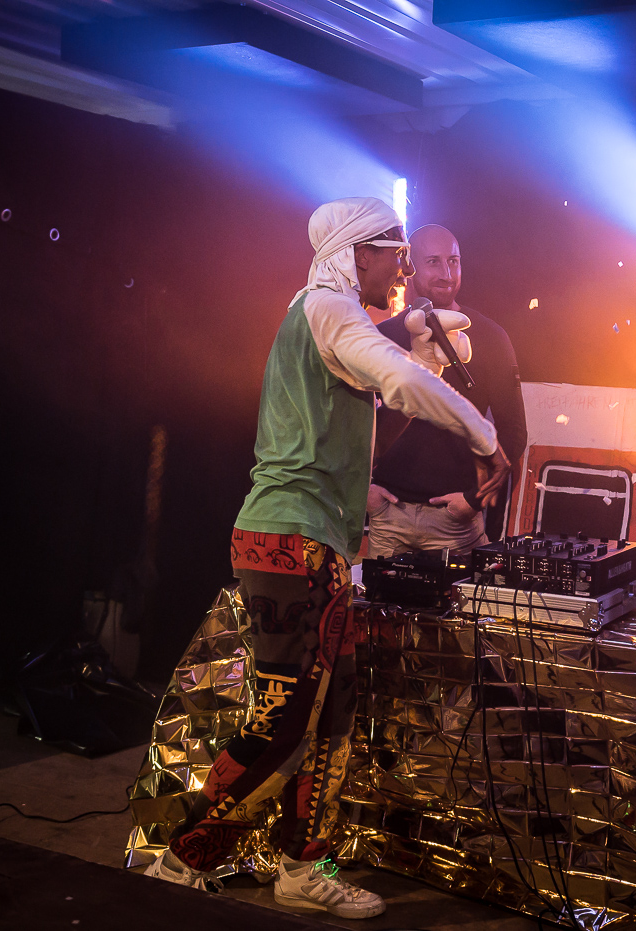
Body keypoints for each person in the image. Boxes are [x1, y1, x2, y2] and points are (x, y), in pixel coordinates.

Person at [143, 197, 509, 918]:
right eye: (395, 254)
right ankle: (181, 857)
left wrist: (415, 343)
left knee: (331, 718)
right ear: (357, 253)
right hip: (290, 541)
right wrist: (484, 438)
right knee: (285, 718)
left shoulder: (328, 316)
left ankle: (304, 867)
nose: (404, 268)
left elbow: (374, 385)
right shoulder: (326, 308)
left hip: (318, 544)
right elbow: (397, 380)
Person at [366, 224, 527, 557]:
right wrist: (364, 491)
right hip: (388, 515)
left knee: (461, 595)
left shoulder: (490, 337)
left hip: (455, 522)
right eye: (434, 262)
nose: (447, 273)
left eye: (453, 261)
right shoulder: (383, 336)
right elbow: (354, 426)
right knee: (380, 594)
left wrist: (472, 500)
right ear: (410, 265)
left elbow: (514, 432)